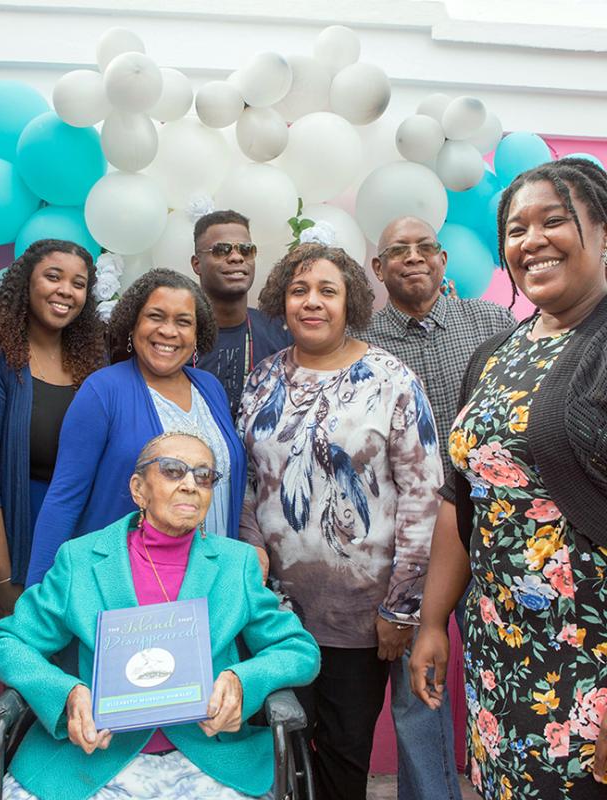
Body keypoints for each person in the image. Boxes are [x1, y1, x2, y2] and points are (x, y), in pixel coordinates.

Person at [410, 157, 607, 797]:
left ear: (603, 231)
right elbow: (461, 497)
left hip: (589, 662)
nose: (532, 241)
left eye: (555, 220)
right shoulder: (498, 352)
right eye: (516, 230)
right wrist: (434, 621)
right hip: (503, 649)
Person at [0, 431, 320, 800]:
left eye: (204, 476)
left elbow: (299, 650)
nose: (191, 484)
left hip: (208, 757)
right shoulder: (80, 561)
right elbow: (4, 643)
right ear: (138, 489)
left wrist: (244, 681)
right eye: (173, 471)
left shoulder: (235, 565)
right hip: (93, 760)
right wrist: (65, 694)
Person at [236, 244, 443, 800]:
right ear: (282, 300)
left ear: (349, 301)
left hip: (361, 617)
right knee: (280, 751)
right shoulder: (261, 381)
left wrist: (402, 607)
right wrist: (251, 549)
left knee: (344, 754)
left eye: (328, 290)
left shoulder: (391, 378)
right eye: (300, 290)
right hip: (274, 614)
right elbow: (248, 480)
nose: (312, 302)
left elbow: (423, 495)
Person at [354, 216, 515, 800]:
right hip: (411, 541)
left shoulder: (493, 323)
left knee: (506, 672)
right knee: (417, 686)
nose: (414, 257)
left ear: (444, 259)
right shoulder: (363, 343)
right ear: (378, 269)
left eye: (426, 248)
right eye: (399, 249)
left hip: (497, 530)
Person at [26, 269, 247, 586]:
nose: (168, 331)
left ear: (198, 334)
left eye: (183, 322)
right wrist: (39, 597)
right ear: (133, 324)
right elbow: (64, 498)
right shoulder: (103, 391)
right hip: (129, 588)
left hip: (213, 580)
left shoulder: (209, 388)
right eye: (155, 317)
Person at [0, 238, 105, 642]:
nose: (66, 291)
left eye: (79, 283)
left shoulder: (93, 361)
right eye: (53, 276)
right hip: (16, 535)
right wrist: (2, 578)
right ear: (26, 282)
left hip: (83, 540)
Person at [191, 209, 291, 417]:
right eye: (221, 250)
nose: (236, 257)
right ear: (197, 264)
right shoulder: (176, 334)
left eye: (246, 250)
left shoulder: (282, 332)